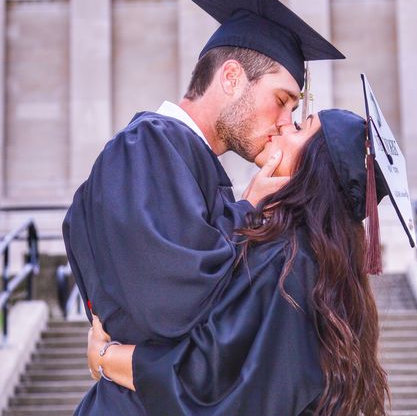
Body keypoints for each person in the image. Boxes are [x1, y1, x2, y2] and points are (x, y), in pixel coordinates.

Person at [63, 0, 344, 415]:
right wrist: (248, 210)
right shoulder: (146, 147)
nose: (285, 122)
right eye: (281, 100)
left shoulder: (191, 163)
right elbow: (168, 306)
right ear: (231, 78)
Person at [87, 109, 392, 416]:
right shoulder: (309, 261)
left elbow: (207, 378)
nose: (285, 125)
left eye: (300, 128)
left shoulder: (287, 263)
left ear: (317, 166)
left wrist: (105, 356)